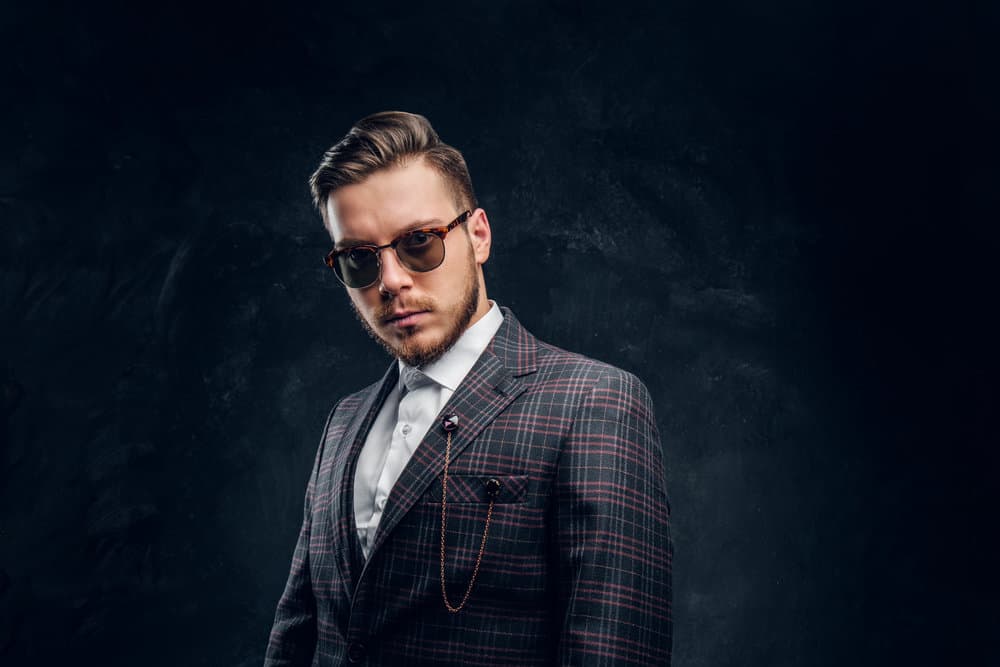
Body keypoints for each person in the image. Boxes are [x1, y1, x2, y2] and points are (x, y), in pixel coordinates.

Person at [264, 111, 672, 666]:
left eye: (420, 243)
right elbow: (298, 631)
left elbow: (614, 650)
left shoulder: (593, 402)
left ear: (478, 235)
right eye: (360, 259)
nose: (391, 281)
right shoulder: (344, 420)